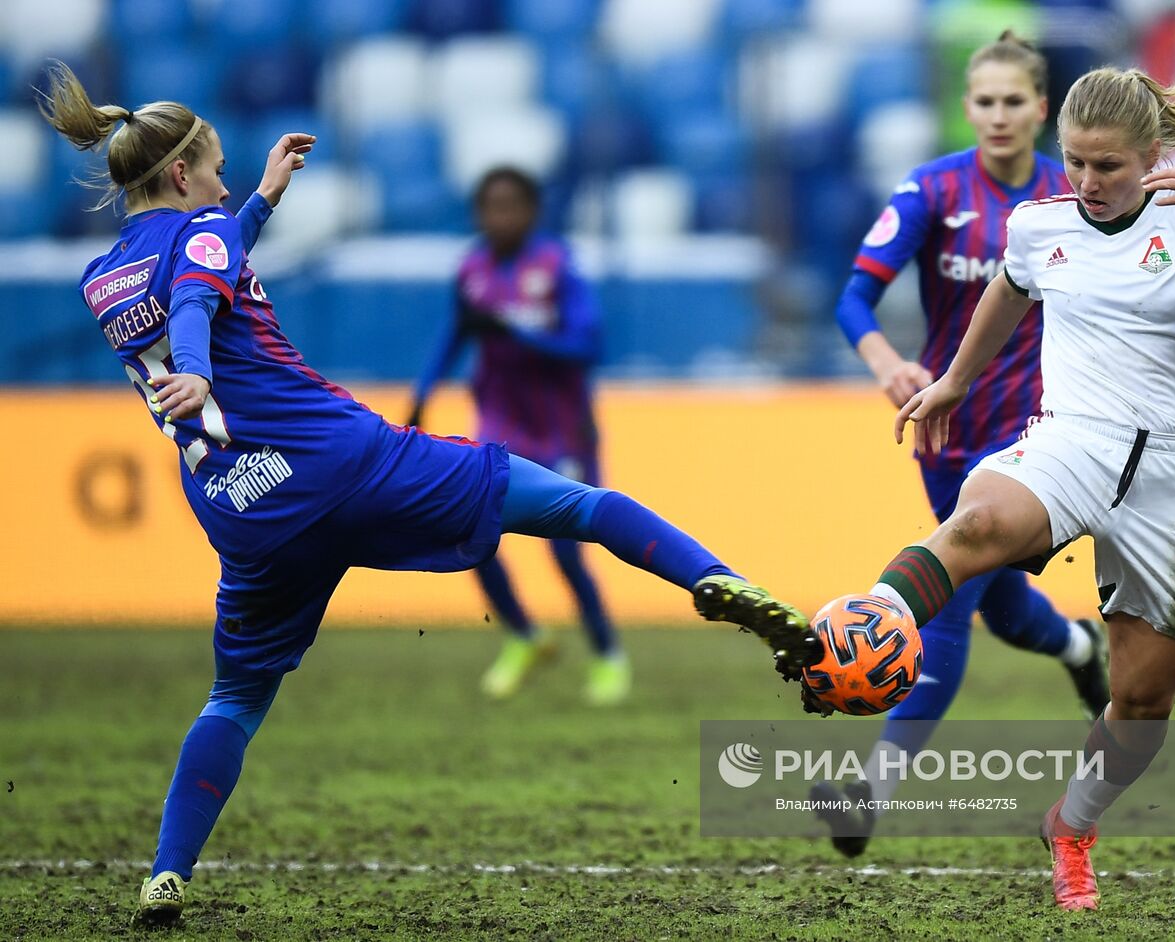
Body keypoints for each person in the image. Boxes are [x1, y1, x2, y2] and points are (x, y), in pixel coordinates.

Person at [37, 62, 820, 928]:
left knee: (235, 700)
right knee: (577, 508)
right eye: (217, 170)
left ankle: (165, 875)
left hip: (246, 511)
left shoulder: (103, 278)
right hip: (343, 461)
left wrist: (259, 200)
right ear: (183, 175)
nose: (224, 185)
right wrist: (196, 365)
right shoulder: (204, 237)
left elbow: (200, 264)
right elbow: (195, 295)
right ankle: (717, 580)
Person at [829, 63, 1175, 911]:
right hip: (1071, 442)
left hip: (1172, 469)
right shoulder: (1039, 226)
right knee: (973, 524)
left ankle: (1071, 825)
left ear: (1151, 155)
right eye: (1077, 162)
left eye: (1108, 166)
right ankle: (873, 622)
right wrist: (954, 380)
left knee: (1146, 698)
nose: (1088, 182)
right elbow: (1011, 291)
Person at [810, 31, 1110, 858]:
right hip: (945, 433)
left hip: (1037, 438)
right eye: (985, 101)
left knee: (946, 605)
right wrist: (886, 362)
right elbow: (854, 299)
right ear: (967, 107)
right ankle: (1083, 647)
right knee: (1006, 606)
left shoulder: (1072, 195)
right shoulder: (932, 189)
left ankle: (867, 800)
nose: (999, 115)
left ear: (1042, 108)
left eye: (1015, 101)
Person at [407, 167, 628, 706]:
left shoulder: (557, 267)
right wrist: (422, 395)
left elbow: (587, 346)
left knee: (568, 551)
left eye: (510, 206)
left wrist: (519, 334)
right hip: (501, 426)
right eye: (490, 207)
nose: (499, 217)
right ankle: (524, 635)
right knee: (467, 530)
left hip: (562, 430)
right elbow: (453, 335)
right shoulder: (473, 269)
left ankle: (606, 654)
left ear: (531, 211)